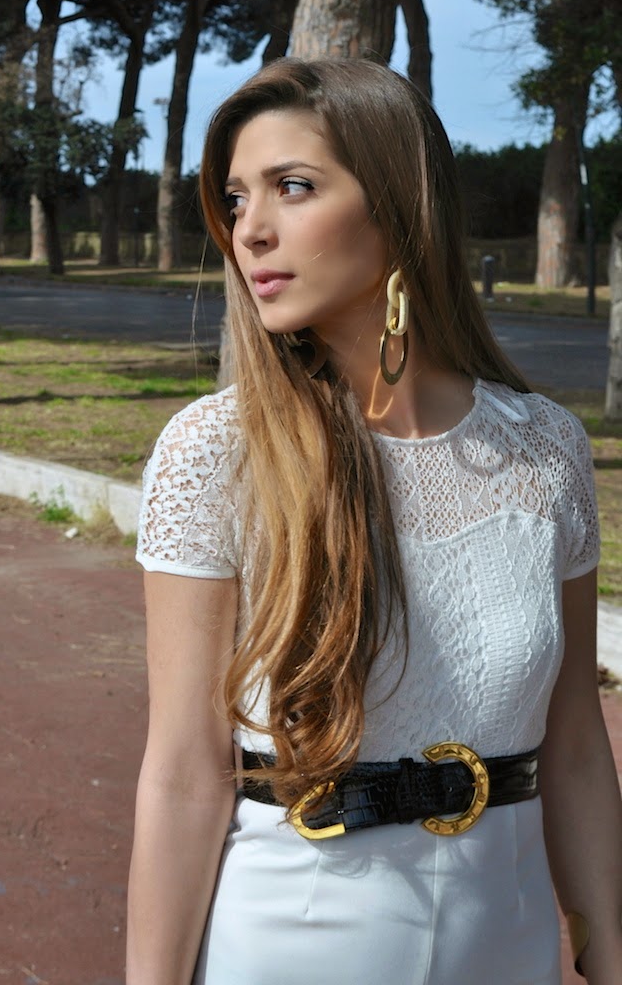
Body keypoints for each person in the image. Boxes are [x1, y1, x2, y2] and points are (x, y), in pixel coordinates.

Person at [126, 58, 622, 985]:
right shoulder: (215, 451)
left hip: (507, 941)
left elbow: (577, 748)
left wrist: (609, 955)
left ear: (400, 205)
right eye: (235, 198)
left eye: (293, 186)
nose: (250, 228)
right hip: (292, 941)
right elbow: (184, 771)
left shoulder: (545, 448)